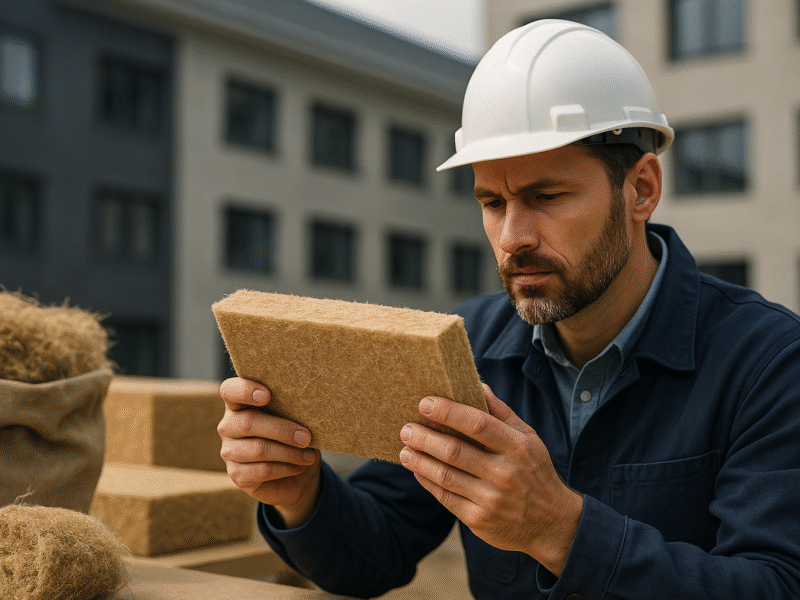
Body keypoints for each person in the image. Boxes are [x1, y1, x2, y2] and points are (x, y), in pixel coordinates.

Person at [217, 20, 800, 599]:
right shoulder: (469, 344)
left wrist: (560, 531)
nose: (512, 238)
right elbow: (379, 549)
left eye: (546, 197)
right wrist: (300, 496)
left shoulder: (768, 362)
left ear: (641, 189)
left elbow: (777, 585)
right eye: (493, 203)